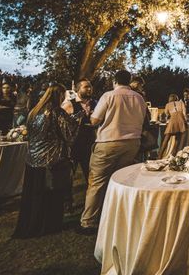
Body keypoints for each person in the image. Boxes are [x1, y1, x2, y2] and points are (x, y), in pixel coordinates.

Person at [78, 70, 146, 234]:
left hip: (109, 142)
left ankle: (88, 222)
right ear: (129, 81)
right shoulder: (139, 98)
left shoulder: (109, 96)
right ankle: (119, 216)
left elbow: (95, 120)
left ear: (115, 81)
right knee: (122, 180)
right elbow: (143, 119)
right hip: (132, 143)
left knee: (97, 182)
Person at [14, 84, 83, 238]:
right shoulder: (56, 112)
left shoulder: (34, 111)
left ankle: (32, 222)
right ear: (58, 96)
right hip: (51, 161)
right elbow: (69, 133)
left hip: (32, 160)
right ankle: (48, 225)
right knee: (51, 194)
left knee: (34, 195)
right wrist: (79, 116)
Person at [62, 79, 97, 182]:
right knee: (68, 176)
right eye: (86, 87)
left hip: (90, 144)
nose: (89, 89)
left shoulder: (96, 103)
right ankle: (66, 197)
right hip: (73, 146)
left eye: (90, 86)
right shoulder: (69, 104)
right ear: (77, 89)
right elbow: (60, 125)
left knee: (90, 175)